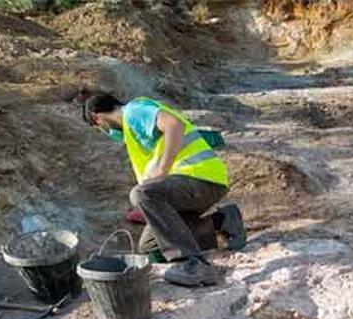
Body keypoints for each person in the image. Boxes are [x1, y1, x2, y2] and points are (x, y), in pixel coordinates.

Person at [83, 93, 242, 287]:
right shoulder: (134, 132)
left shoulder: (133, 111)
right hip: (186, 187)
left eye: (99, 128)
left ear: (96, 117)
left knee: (141, 194)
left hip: (202, 179)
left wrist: (161, 171)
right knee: (150, 246)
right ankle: (221, 221)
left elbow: (174, 125)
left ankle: (193, 264)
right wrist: (148, 208)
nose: (105, 132)